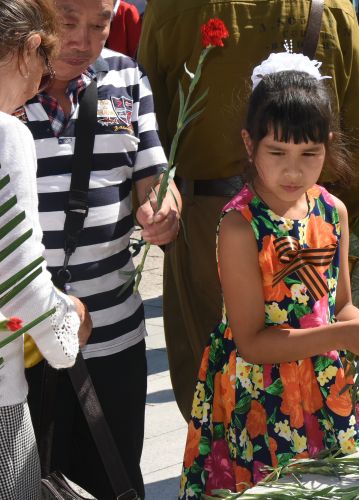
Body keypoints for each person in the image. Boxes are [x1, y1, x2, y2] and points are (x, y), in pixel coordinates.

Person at [139, 0, 359, 422]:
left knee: (219, 403)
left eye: (308, 150)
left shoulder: (172, 7)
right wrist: (315, 214)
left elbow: (146, 127)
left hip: (199, 225)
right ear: (250, 145)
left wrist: (165, 211)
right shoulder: (332, 8)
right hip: (304, 218)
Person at [178, 54, 359, 498]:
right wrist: (345, 337)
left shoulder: (332, 211)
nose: (294, 170)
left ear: (329, 145)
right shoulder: (241, 225)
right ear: (249, 145)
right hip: (259, 395)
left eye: (310, 154)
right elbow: (254, 342)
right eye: (277, 152)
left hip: (324, 390)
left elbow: (338, 305)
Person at [21, 0, 181, 498]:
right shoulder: (7, 85)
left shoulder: (127, 79)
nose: (83, 42)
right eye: (67, 22)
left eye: (99, 25)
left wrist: (165, 208)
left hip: (113, 337)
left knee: (113, 482)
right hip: (22, 346)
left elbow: (154, 174)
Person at [0, 1, 91, 497]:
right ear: (31, 47)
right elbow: (20, 281)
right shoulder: (7, 135)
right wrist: (68, 325)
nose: (30, 95)